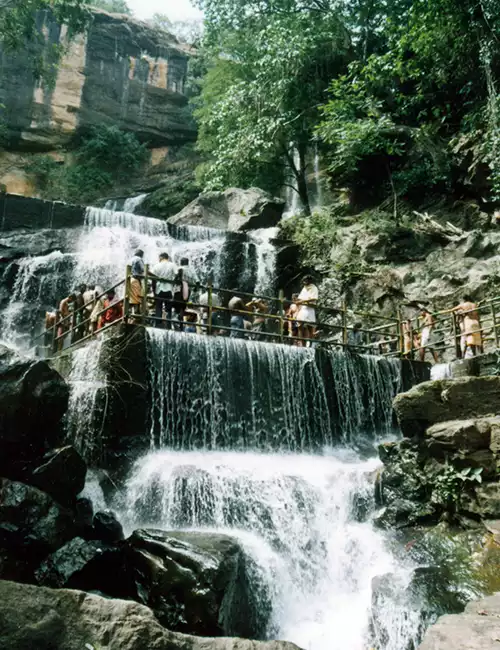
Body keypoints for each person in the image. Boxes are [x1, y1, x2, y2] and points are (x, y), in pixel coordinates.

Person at [151, 253, 178, 329]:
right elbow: (177, 274)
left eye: (159, 258)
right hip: (169, 288)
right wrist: (173, 282)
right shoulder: (172, 265)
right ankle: (168, 325)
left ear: (161, 257)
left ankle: (158, 324)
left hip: (159, 289)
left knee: (158, 307)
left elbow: (153, 278)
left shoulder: (156, 266)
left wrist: (154, 291)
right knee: (168, 308)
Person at [173, 257, 198, 331]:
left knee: (176, 306)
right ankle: (180, 324)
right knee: (183, 307)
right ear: (187, 263)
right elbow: (197, 281)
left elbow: (174, 279)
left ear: (181, 262)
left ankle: (175, 321)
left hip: (179, 289)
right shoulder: (191, 270)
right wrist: (196, 289)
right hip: (187, 290)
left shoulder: (179, 268)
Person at [296, 275, 319, 346]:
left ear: (309, 281)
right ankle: (301, 343)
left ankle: (311, 344)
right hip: (303, 308)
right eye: (303, 280)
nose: (304, 282)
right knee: (300, 325)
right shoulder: (304, 288)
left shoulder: (314, 288)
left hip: (309, 308)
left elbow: (314, 298)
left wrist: (303, 301)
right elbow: (300, 298)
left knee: (310, 326)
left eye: (305, 280)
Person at [129, 249, 145, 315]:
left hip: (129, 279)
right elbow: (143, 269)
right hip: (135, 280)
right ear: (141, 254)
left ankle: (129, 313)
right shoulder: (139, 259)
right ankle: (136, 314)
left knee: (130, 297)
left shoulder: (130, 259)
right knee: (137, 297)